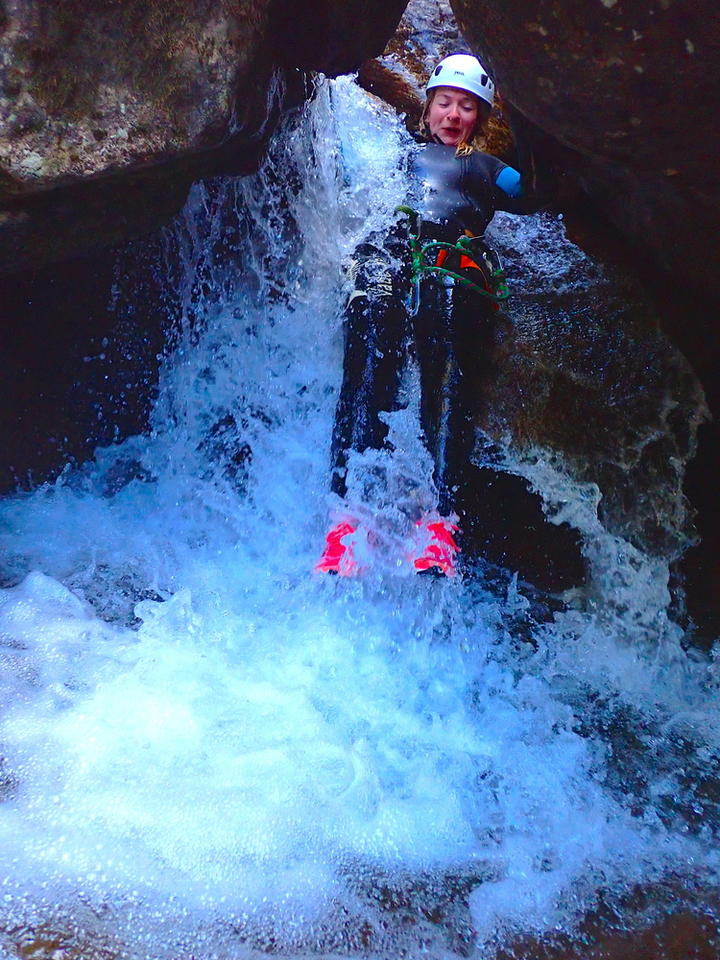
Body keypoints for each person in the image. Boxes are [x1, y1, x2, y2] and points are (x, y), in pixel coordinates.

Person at [316, 53, 541, 577]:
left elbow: (532, 195)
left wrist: (532, 121)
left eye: (466, 107)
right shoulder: (400, 154)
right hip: (392, 252)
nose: (453, 114)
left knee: (446, 344)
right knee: (371, 341)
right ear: (428, 106)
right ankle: (346, 517)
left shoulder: (487, 168)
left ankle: (441, 520)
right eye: (444, 102)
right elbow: (349, 173)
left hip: (451, 265)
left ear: (480, 119)